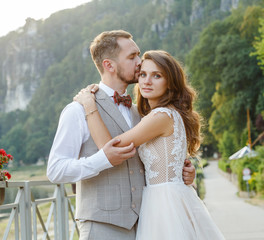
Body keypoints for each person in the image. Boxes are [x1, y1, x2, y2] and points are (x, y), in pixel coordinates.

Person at [47, 30, 196, 240]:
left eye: (139, 54)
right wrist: (101, 160)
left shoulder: (142, 113)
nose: (140, 62)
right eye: (132, 56)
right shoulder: (79, 109)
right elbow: (55, 170)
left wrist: (183, 171)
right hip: (102, 228)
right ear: (109, 65)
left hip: (148, 225)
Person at [74, 49, 225, 239]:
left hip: (164, 203)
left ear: (170, 82)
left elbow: (110, 147)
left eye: (157, 76)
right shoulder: (162, 114)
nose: (146, 81)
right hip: (166, 198)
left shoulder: (161, 116)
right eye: (143, 74)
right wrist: (187, 171)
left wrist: (89, 106)